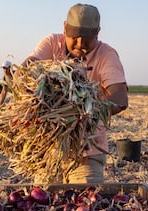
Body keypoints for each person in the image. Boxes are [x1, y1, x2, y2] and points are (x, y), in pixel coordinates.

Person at [21, 3, 128, 183]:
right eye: (74, 36)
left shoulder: (106, 55)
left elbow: (119, 97)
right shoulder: (52, 43)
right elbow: (27, 68)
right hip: (48, 151)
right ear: (65, 28)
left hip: (87, 152)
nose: (79, 44)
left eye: (86, 38)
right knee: (47, 205)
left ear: (97, 32)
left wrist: (78, 113)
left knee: (85, 203)